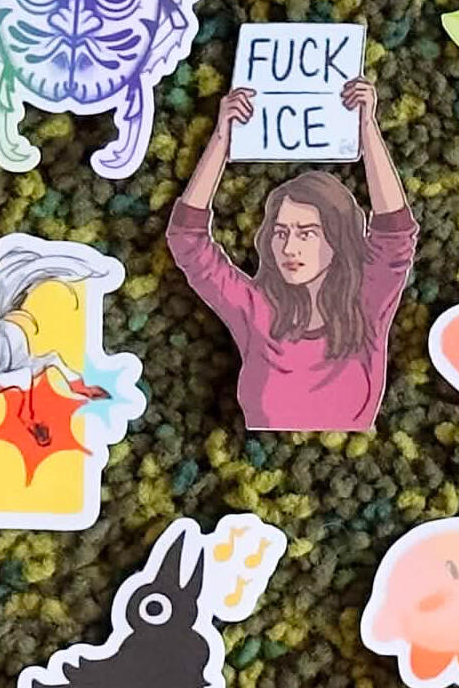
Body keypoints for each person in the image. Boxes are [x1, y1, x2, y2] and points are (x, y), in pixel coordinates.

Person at [169, 75, 415, 432]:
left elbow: (395, 232)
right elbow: (188, 241)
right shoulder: (256, 310)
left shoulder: (366, 303)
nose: (289, 247)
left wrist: (367, 128)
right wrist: (221, 138)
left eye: (307, 233)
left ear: (336, 238)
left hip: (350, 455)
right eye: (280, 233)